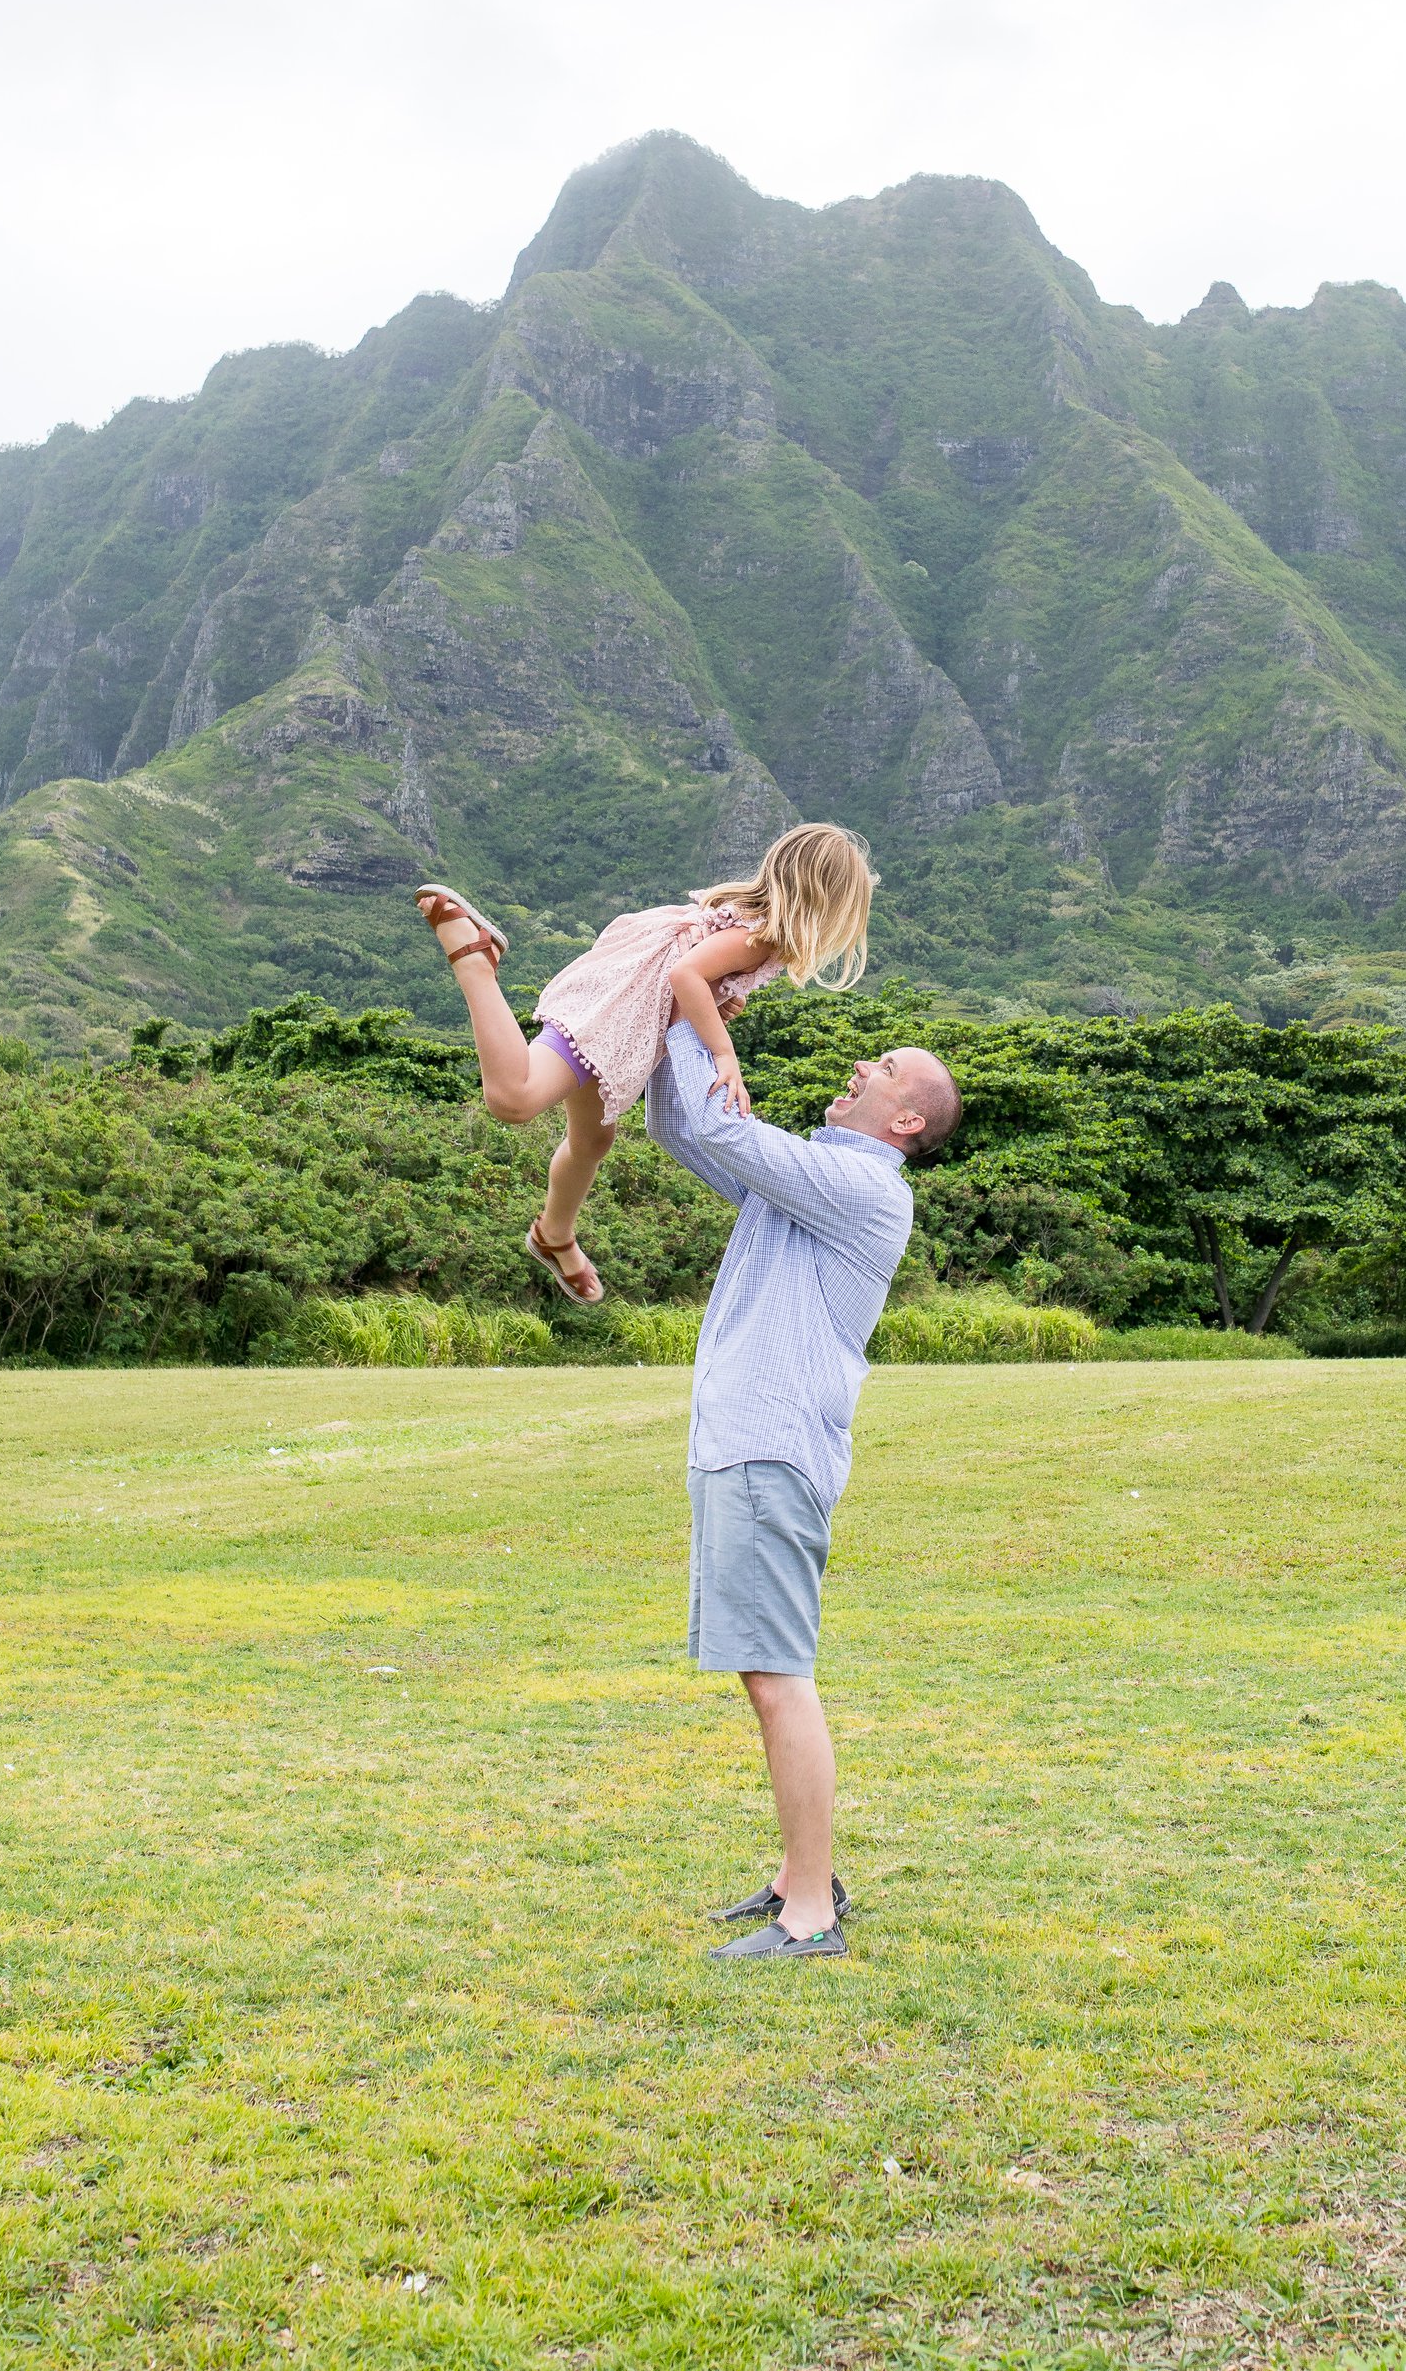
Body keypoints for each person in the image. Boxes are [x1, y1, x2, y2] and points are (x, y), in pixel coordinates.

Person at [644, 1012, 962, 1961]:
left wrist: (693, 1006)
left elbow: (722, 1124)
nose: (863, 1063)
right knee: (765, 1667)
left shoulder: (860, 1186)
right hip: (749, 1446)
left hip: (769, 1449)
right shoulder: (812, 1178)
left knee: (779, 1674)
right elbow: (679, 1125)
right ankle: (799, 1875)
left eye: (887, 1066)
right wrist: (666, 1028)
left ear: (906, 1120)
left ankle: (812, 1912)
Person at [413, 823, 877, 1304]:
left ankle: (554, 1234)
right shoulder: (759, 939)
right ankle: (475, 961)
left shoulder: (749, 920)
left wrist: (717, 997)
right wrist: (724, 1053)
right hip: (619, 1016)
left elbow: (696, 968)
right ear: (826, 902)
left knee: (592, 1140)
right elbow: (685, 973)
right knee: (514, 1099)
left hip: (624, 1002)